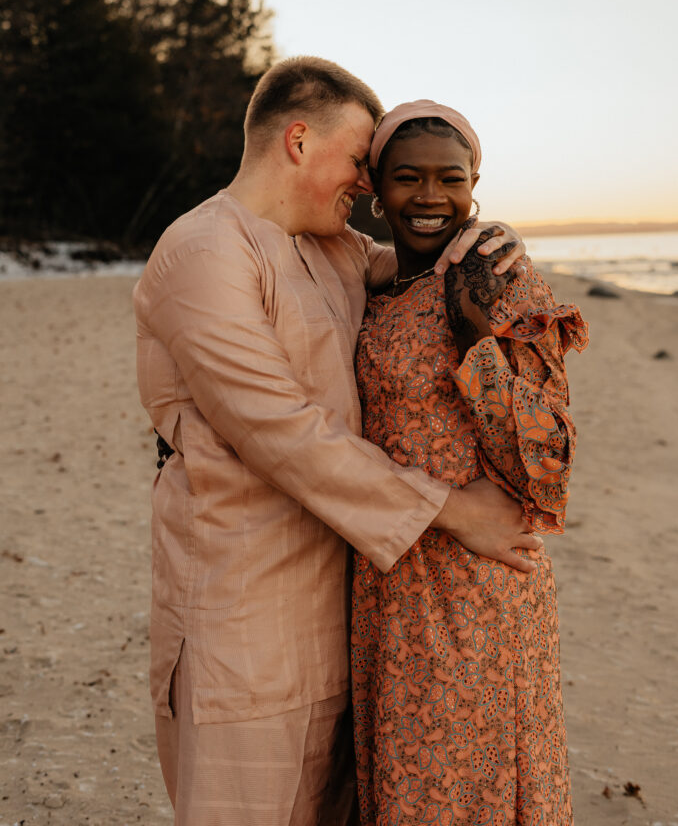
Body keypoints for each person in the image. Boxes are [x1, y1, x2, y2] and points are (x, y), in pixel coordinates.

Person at [133, 58, 536, 826]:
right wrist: (456, 511)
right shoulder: (203, 251)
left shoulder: (334, 250)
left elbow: (429, 259)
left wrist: (489, 239)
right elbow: (279, 429)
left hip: (345, 611)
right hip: (240, 613)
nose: (365, 184)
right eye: (359, 160)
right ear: (295, 140)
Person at [350, 101, 588, 826]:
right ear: (374, 187)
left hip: (481, 577)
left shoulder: (508, 287)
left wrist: (473, 337)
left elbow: (546, 462)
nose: (428, 198)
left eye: (448, 179)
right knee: (405, 778)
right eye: (406, 179)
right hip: (387, 575)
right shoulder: (368, 285)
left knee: (476, 784)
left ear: (475, 181)